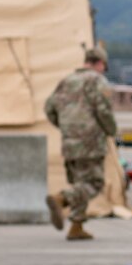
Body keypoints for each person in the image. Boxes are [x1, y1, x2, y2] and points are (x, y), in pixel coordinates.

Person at [45, 46, 117, 240]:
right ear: (100, 63)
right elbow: (103, 110)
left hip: (70, 140)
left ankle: (76, 227)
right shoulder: (97, 81)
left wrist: (66, 127)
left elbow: (49, 108)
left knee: (79, 183)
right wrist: (111, 131)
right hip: (90, 141)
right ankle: (62, 198)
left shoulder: (66, 81)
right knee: (93, 183)